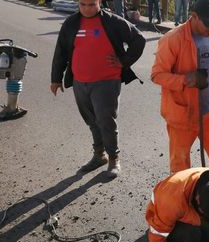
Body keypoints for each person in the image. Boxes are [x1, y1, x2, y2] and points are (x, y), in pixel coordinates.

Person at [51, 0, 145, 178]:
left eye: (91, 4)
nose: (87, 9)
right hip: (80, 81)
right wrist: (56, 79)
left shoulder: (113, 21)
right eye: (83, 4)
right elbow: (61, 51)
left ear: (99, 2)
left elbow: (138, 39)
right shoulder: (71, 23)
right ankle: (98, 155)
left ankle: (113, 157)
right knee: (91, 120)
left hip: (107, 81)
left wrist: (123, 61)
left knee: (105, 120)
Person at [151, 0, 209, 175]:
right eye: (208, 24)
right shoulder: (172, 39)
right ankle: (184, 199)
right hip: (183, 114)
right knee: (180, 166)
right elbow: (157, 75)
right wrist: (187, 80)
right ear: (194, 17)